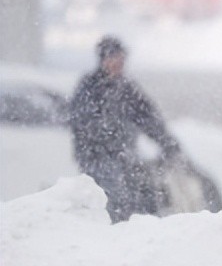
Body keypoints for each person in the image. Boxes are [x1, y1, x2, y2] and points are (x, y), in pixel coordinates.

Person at [69, 35, 184, 222]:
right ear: (104, 59)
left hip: (124, 156)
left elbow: (149, 118)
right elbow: (83, 124)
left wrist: (168, 143)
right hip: (96, 158)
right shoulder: (89, 88)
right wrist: (107, 139)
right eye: (115, 58)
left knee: (145, 192)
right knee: (116, 196)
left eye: (122, 59)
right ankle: (115, 235)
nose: (119, 63)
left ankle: (146, 232)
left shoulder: (127, 89)